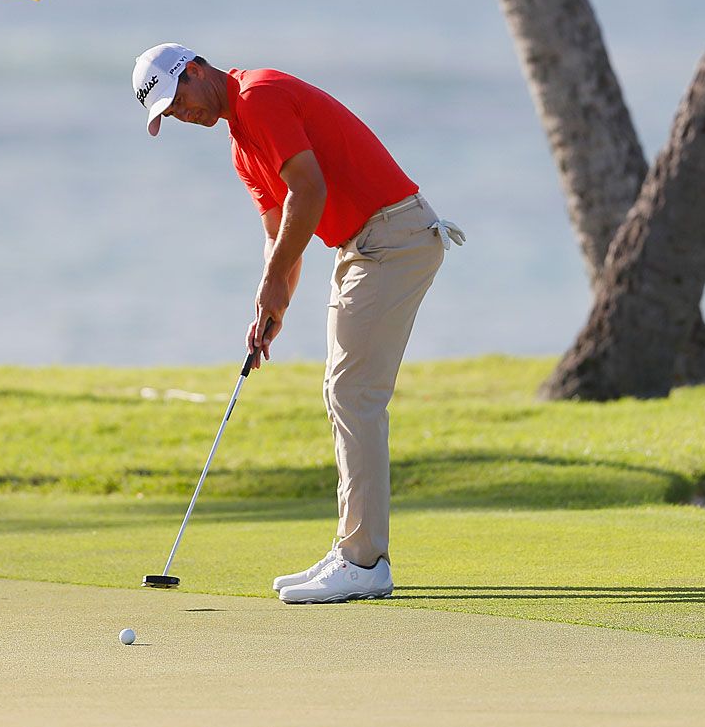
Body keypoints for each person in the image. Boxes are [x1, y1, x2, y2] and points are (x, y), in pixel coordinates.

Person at [131, 43, 464, 604]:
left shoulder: (259, 96)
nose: (180, 115)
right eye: (167, 114)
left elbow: (310, 191)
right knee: (344, 394)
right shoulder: (241, 146)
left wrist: (274, 282)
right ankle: (354, 550)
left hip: (394, 238)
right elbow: (279, 230)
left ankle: (364, 562)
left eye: (176, 99)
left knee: (352, 392)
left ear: (192, 71)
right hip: (363, 246)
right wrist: (271, 302)